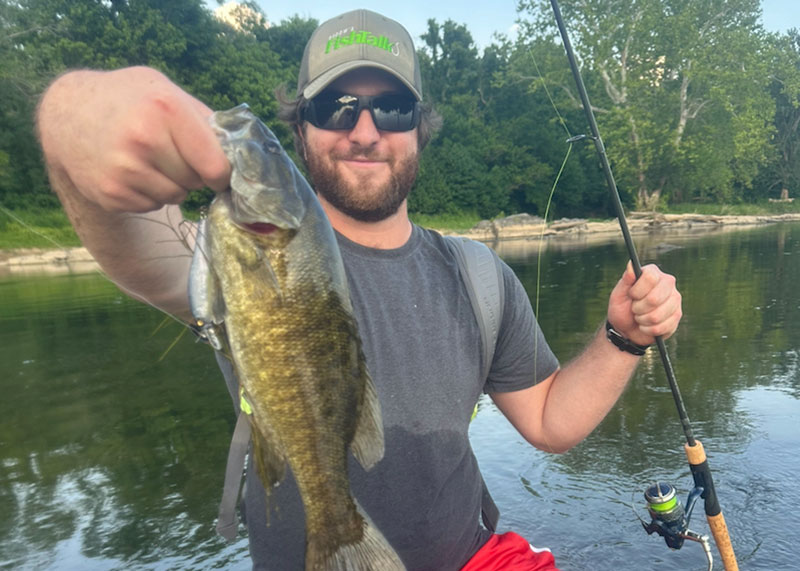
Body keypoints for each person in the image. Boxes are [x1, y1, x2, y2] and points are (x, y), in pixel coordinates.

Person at [35, 9, 682, 571]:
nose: (366, 130)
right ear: (302, 128)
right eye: (336, 107)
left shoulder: (481, 277)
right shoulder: (233, 256)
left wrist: (622, 337)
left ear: (419, 125)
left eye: (392, 107)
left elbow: (548, 419)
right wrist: (71, 118)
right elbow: (128, 240)